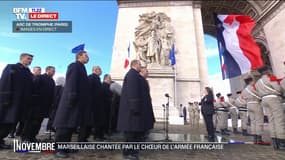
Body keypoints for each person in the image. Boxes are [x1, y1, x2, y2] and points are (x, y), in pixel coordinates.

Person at [53, 51, 91, 158]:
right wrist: (71, 98)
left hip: (76, 101)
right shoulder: (74, 66)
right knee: (64, 125)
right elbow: (71, 83)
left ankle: (65, 147)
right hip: (71, 101)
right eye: (86, 56)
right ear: (79, 56)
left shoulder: (81, 67)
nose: (88, 58)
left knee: (70, 126)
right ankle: (59, 149)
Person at [117, 60, 155, 160]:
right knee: (131, 134)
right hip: (133, 111)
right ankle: (128, 153)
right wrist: (135, 107)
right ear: (134, 65)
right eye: (139, 64)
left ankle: (133, 152)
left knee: (134, 133)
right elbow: (133, 92)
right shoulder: (132, 75)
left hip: (136, 110)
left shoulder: (135, 75)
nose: (140, 66)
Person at [0, 53, 34, 149]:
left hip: (22, 104)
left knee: (12, 123)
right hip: (10, 102)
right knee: (5, 123)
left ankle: (1, 140)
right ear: (21, 58)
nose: (30, 61)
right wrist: (5, 99)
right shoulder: (12, 67)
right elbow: (4, 82)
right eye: (28, 58)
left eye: (31, 59)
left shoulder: (28, 72)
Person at [22, 66, 56, 142]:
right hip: (36, 105)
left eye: (54, 71)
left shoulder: (52, 81)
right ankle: (26, 138)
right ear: (47, 70)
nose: (54, 72)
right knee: (31, 122)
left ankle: (33, 137)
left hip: (45, 106)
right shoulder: (40, 77)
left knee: (38, 123)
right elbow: (33, 89)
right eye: (52, 71)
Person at [255, 66, 285, 150]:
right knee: (279, 119)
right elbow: (278, 89)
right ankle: (282, 142)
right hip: (273, 99)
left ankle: (275, 142)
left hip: (264, 100)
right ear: (267, 71)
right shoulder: (271, 78)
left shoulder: (257, 83)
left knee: (271, 120)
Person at [241, 77, 264, 143]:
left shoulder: (244, 90)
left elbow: (243, 97)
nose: (253, 82)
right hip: (255, 104)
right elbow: (258, 95)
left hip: (249, 105)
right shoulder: (252, 88)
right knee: (259, 121)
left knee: (253, 121)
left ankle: (255, 137)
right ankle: (259, 137)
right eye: (253, 81)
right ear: (250, 81)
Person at [88, 66, 105, 141]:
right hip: (92, 104)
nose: (101, 71)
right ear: (95, 70)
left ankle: (97, 135)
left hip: (97, 104)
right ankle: (83, 139)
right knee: (90, 122)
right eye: (100, 69)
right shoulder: (91, 77)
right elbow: (89, 91)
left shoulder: (97, 78)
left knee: (98, 121)